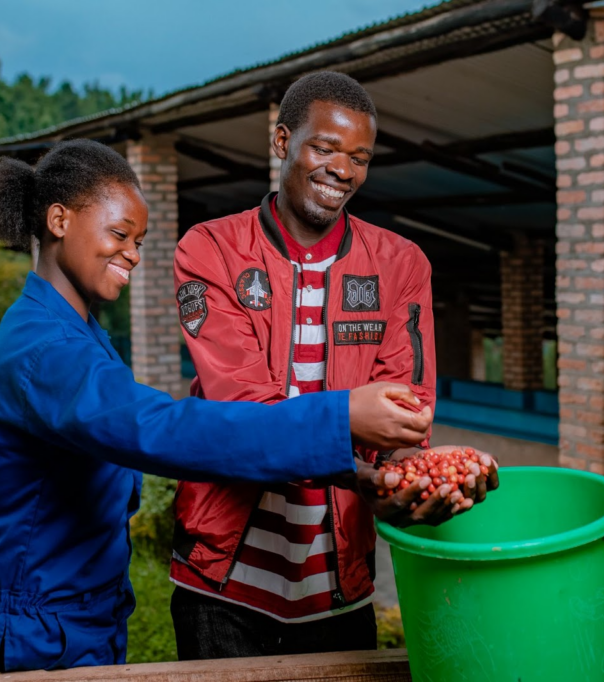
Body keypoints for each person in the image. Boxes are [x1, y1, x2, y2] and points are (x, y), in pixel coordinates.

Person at [0, 139, 435, 675]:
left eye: (138, 241)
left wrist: (353, 472)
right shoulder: (47, 351)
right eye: (119, 234)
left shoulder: (69, 328)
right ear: (59, 220)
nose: (133, 254)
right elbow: (163, 430)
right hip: (29, 631)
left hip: (77, 617)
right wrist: (338, 416)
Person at [169, 71, 498, 660]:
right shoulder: (211, 249)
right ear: (282, 142)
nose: (342, 170)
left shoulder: (400, 264)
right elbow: (241, 411)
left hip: (336, 588)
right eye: (324, 148)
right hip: (222, 586)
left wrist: (410, 477)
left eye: (360, 158)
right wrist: (350, 428)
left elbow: (405, 418)